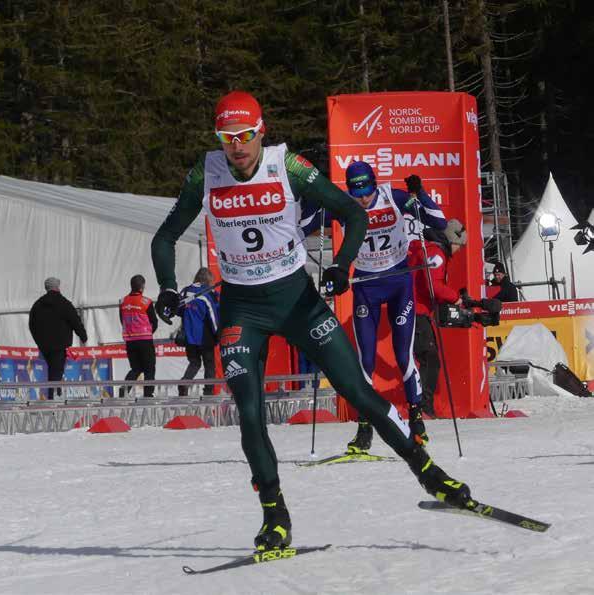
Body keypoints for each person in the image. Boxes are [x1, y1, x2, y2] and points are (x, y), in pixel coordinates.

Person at [151, 90, 472, 552]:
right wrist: (165, 285)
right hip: (242, 309)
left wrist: (341, 264)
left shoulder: (289, 165)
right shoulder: (206, 171)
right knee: (248, 413)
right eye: (227, 137)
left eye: (244, 136)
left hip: (297, 300)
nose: (236, 147)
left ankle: (428, 472)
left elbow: (351, 213)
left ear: (261, 132)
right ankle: (274, 515)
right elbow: (165, 236)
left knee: (357, 389)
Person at [338, 163, 447, 450]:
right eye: (355, 191)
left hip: (398, 283)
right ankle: (364, 429)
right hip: (365, 287)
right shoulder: (343, 204)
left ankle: (416, 420)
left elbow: (440, 222)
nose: (361, 197)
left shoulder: (394, 197)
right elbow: (305, 224)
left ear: (374, 183)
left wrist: (419, 194)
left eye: (366, 189)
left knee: (403, 355)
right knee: (366, 361)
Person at [408, 220, 468, 417]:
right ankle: (423, 408)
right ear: (452, 239)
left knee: (426, 358)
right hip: (416, 313)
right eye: (460, 244)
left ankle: (422, 406)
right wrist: (456, 298)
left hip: (418, 312)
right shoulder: (436, 254)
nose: (460, 250)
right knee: (429, 359)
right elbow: (433, 286)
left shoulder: (431, 250)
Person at [29, 277, 88, 399]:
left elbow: (32, 324)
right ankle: (54, 400)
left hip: (44, 346)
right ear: (57, 287)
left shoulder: (37, 304)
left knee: (52, 371)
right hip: (59, 345)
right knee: (56, 372)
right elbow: (75, 320)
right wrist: (83, 336)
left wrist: (39, 341)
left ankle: (56, 396)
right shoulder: (64, 303)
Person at [177, 267, 220, 396]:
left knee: (194, 362)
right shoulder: (207, 292)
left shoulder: (185, 291)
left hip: (188, 335)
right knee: (209, 365)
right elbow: (212, 315)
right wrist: (217, 334)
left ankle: (185, 382)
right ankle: (208, 392)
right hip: (204, 335)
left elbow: (177, 310)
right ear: (209, 279)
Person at [119, 274, 158, 398]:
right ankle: (148, 394)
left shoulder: (123, 302)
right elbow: (154, 322)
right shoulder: (146, 302)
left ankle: (124, 389)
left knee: (135, 368)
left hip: (130, 340)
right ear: (142, 287)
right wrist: (149, 332)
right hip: (144, 339)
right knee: (149, 368)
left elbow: (122, 320)